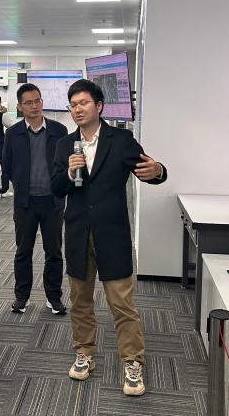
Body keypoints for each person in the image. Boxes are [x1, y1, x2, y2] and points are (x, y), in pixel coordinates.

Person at [51, 79, 167, 397]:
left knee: (122, 303)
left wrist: (158, 170)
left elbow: (151, 170)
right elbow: (56, 188)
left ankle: (132, 362)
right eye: (73, 104)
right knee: (80, 301)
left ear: (99, 106)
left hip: (112, 233)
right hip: (77, 232)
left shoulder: (121, 140)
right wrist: (68, 172)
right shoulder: (65, 145)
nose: (78, 109)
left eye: (84, 103)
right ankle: (84, 352)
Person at [1, 83, 68, 316]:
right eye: (28, 102)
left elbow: (66, 164)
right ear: (20, 106)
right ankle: (22, 297)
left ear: (42, 102)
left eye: (37, 100)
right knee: (23, 252)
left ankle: (54, 297)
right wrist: (21, 185)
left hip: (53, 202)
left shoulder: (59, 130)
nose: (34, 106)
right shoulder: (13, 133)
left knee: (54, 252)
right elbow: (7, 165)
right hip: (25, 203)